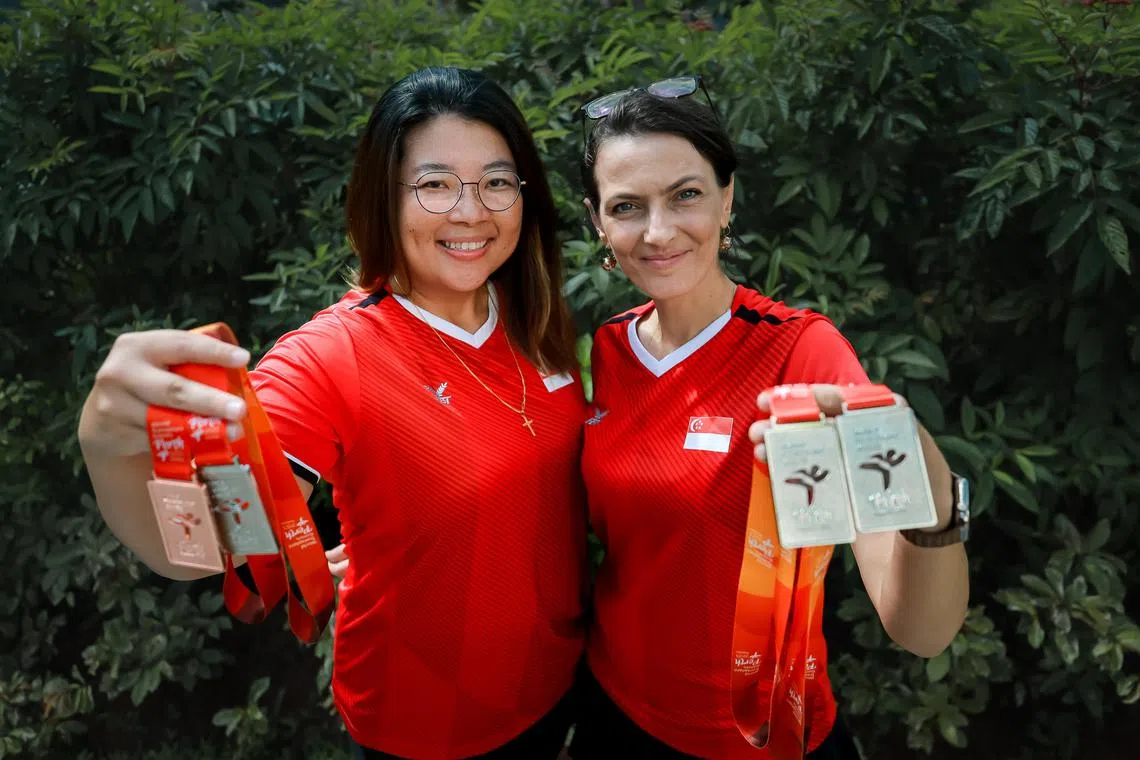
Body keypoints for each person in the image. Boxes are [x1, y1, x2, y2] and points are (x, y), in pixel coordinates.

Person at [77, 67, 589, 760]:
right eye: (434, 184)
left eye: (497, 182)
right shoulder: (330, 356)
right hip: (422, 723)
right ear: (382, 197)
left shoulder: (534, 315)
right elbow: (202, 549)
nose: (472, 211)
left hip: (554, 692)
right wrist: (109, 448)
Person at [568, 79, 970, 759]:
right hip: (615, 714)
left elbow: (921, 631)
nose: (659, 231)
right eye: (628, 206)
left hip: (766, 733)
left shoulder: (800, 351)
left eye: (686, 194)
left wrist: (921, 479)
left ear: (727, 199)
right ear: (598, 223)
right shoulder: (608, 348)